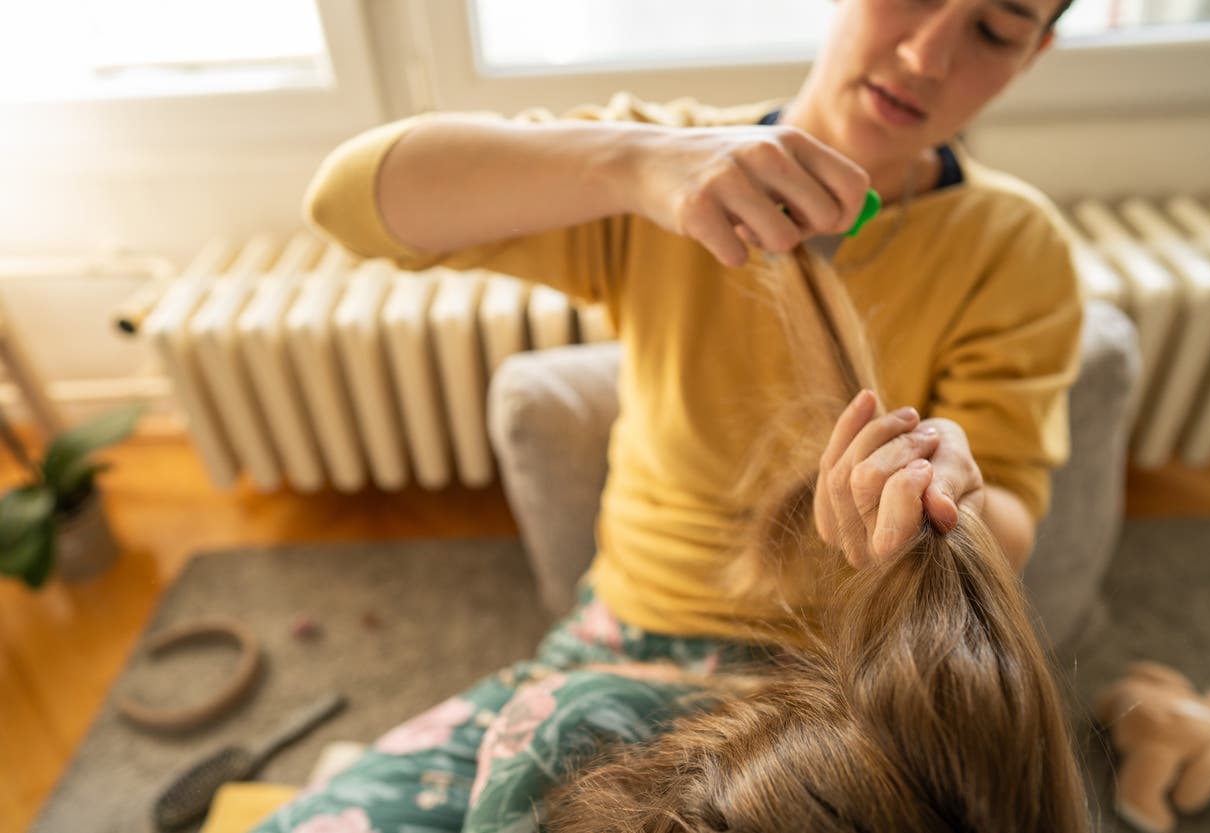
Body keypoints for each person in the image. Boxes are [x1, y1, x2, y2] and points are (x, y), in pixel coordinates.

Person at [246, 0, 1090, 828]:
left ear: (1035, 51)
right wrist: (628, 162)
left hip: (843, 683)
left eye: (994, 28)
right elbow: (350, 200)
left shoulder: (1016, 247)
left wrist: (947, 503)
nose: (926, 56)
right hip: (620, 641)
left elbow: (1008, 511)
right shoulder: (670, 171)